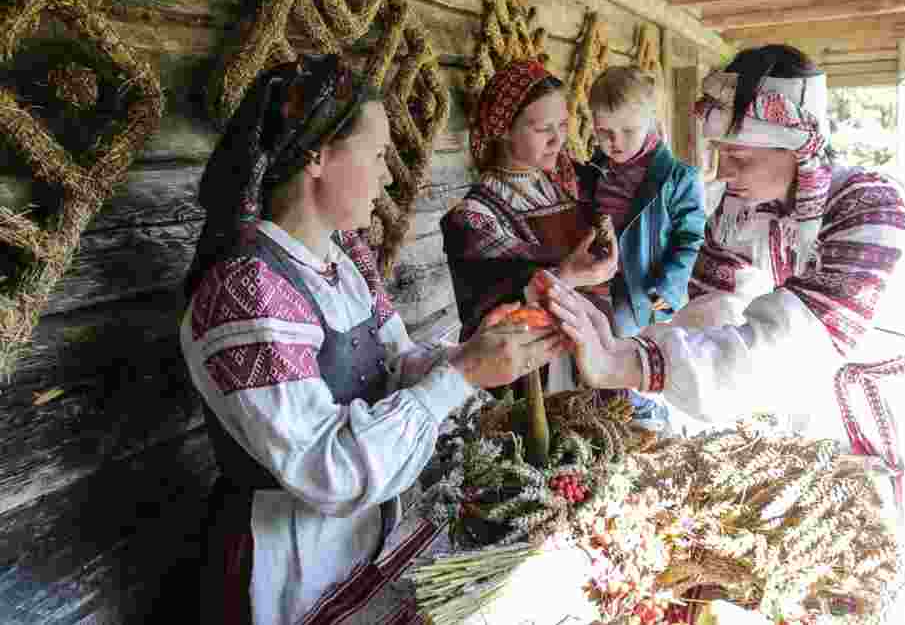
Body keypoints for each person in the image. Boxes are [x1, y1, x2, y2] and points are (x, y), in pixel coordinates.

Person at [540, 45, 905, 610]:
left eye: (739, 157)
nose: (723, 173)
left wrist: (631, 363)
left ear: (799, 146)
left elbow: (796, 340)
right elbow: (710, 305)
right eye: (720, 153)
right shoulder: (744, 205)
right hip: (823, 406)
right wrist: (635, 347)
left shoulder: (871, 206)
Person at [180, 54, 565, 625]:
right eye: (378, 154)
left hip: (362, 532)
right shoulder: (247, 290)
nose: (388, 175)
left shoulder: (345, 255)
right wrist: (458, 377)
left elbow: (396, 363)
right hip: (289, 557)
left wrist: (476, 355)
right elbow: (327, 470)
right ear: (317, 157)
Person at [441, 59, 617, 396]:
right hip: (536, 378)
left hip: (593, 357)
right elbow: (493, 315)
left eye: (563, 126)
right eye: (542, 129)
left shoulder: (569, 186)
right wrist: (569, 277)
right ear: (504, 128)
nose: (558, 140)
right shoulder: (475, 217)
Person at [577, 65, 705, 338]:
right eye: (604, 131)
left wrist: (671, 287)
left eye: (628, 130)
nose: (615, 142)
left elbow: (691, 239)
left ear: (650, 121)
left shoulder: (678, 178)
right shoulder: (593, 172)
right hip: (597, 287)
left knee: (632, 357)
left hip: (645, 293)